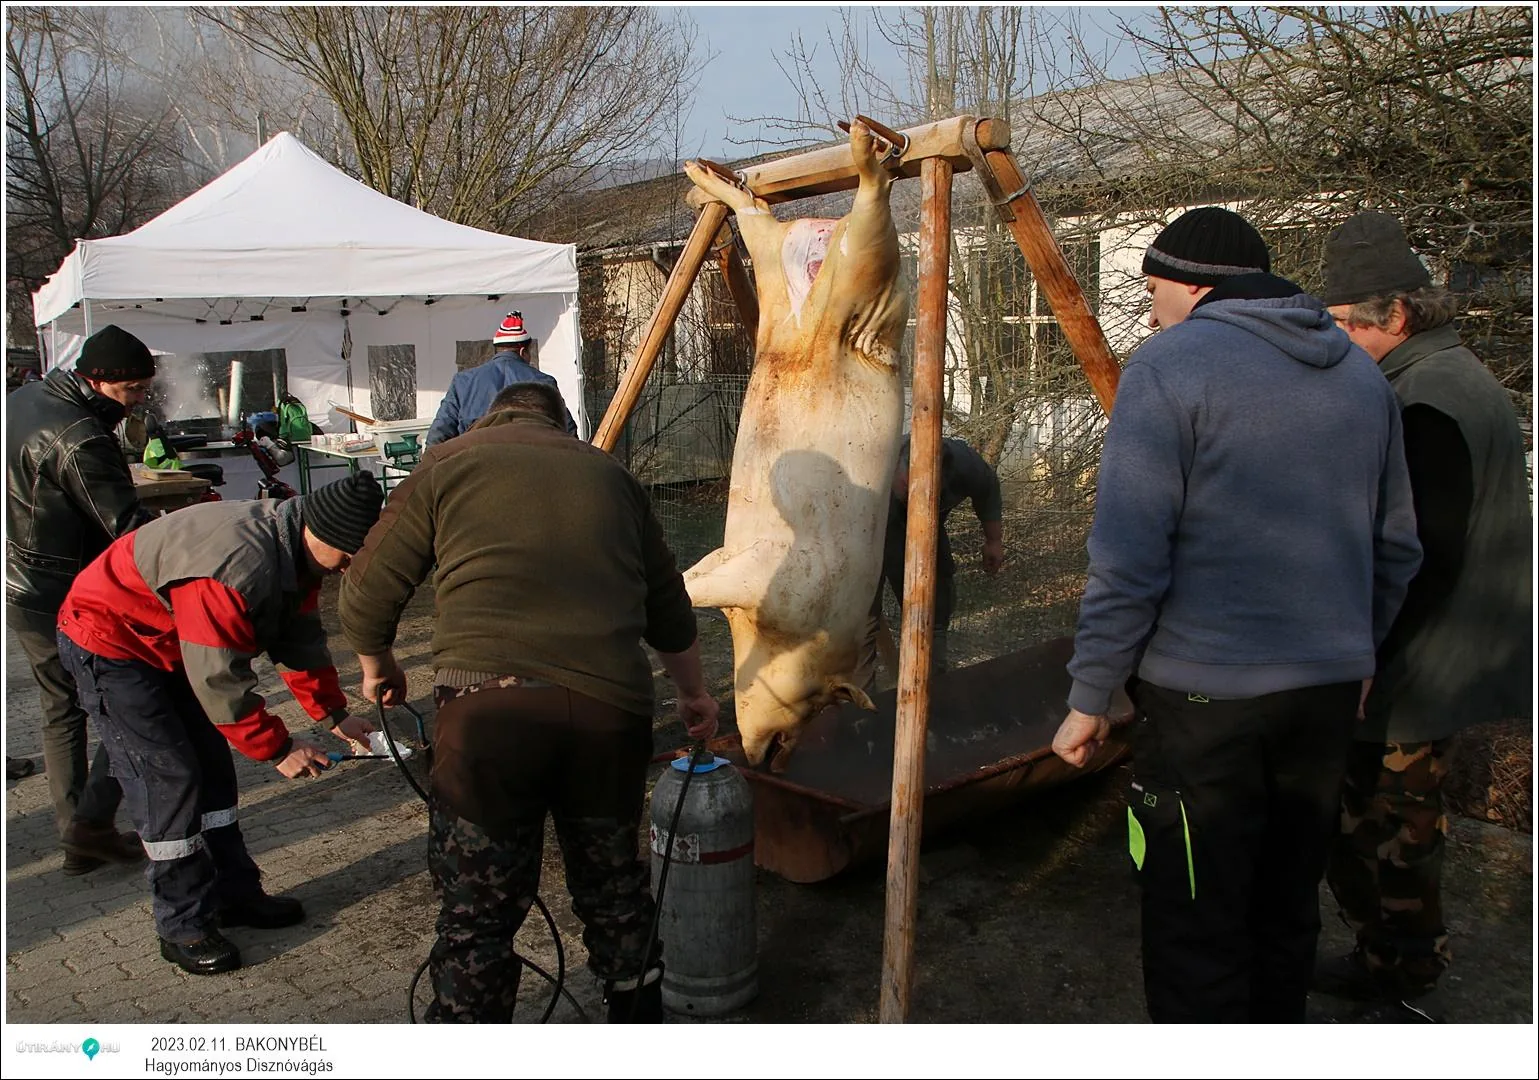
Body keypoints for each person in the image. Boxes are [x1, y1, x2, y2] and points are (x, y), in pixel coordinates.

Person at [1050, 206, 1423, 1023]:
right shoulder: (1361, 374)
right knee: (1285, 903)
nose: (1149, 312)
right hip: (1323, 697)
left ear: (1193, 284)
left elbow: (1129, 559)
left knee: (1194, 917)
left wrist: (1089, 697)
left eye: (1153, 289)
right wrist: (1356, 658)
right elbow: (1397, 548)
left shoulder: (1171, 365)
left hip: (1203, 707)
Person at [339, 381, 718, 1024]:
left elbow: (366, 593)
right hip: (607, 716)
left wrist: (379, 667)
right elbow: (669, 610)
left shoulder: (446, 464)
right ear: (562, 424)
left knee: (478, 917)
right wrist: (694, 693)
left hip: (489, 721)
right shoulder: (612, 476)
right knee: (616, 892)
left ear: (490, 418)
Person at [1315, 211, 1533, 1021]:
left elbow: (1421, 553)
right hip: (1436, 650)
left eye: (1345, 325)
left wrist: (1366, 653)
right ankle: (1388, 959)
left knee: (1390, 830)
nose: (1335, 341)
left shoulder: (1426, 400)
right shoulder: (1442, 375)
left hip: (1419, 661)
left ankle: (1400, 981)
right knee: (1387, 823)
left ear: (1394, 316)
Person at [55, 472, 387, 975]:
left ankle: (234, 895)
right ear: (319, 535)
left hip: (172, 644)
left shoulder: (295, 557)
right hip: (111, 641)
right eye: (344, 558)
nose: (345, 570)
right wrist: (276, 748)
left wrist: (335, 715)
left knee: (213, 770)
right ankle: (182, 923)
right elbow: (219, 679)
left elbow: (297, 640)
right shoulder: (236, 567)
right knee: (169, 777)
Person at [5, 324, 158, 871]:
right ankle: (90, 825)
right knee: (125, 700)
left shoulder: (25, 398)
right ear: (99, 380)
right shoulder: (81, 437)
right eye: (133, 390)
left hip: (20, 582)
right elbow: (128, 531)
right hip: (66, 591)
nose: (140, 400)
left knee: (61, 709)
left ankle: (76, 832)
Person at [855, 435, 1005, 690]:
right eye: (906, 486)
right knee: (861, 619)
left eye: (924, 490)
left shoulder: (964, 463)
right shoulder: (870, 470)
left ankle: (930, 691)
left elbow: (987, 488)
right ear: (894, 469)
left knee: (931, 613)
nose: (911, 493)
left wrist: (993, 541)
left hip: (926, 532)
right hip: (867, 536)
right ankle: (860, 707)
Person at [425, 311, 578, 444]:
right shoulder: (543, 381)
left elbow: (438, 435)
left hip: (477, 469)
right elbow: (568, 432)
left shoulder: (463, 382)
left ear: (497, 350)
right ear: (523, 351)